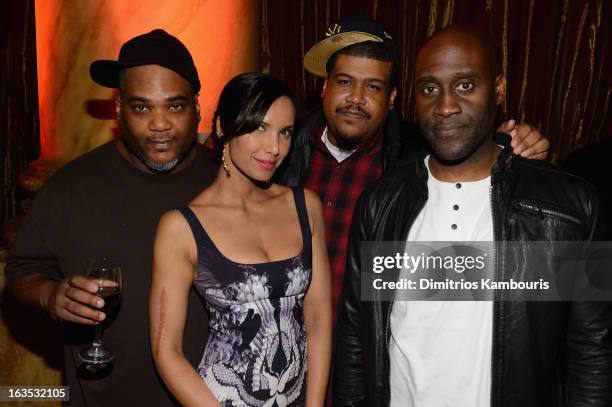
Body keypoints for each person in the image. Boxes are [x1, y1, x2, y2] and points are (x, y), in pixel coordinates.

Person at [333, 25, 612, 406]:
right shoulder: (382, 204)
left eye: (465, 85)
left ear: (498, 88)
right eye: (429, 89)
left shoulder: (570, 208)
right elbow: (354, 336)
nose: (445, 105)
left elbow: (592, 349)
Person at [277, 16, 550, 317]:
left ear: (392, 98)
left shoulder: (415, 162)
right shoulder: (281, 152)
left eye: (373, 87)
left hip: (363, 348)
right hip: (281, 341)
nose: (356, 98)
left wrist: (507, 147)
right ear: (325, 88)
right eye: (345, 82)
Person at [5, 29, 217, 406]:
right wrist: (51, 296)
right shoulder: (72, 186)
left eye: (174, 106)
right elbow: (22, 271)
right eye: (141, 107)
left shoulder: (227, 180)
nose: (159, 123)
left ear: (197, 108)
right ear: (118, 110)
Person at [149, 73, 332, 407]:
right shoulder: (181, 227)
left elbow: (318, 316)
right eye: (258, 128)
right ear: (221, 128)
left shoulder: (306, 206)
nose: (274, 147)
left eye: (285, 132)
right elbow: (166, 350)